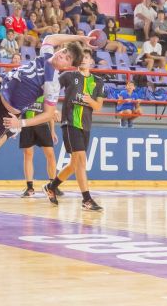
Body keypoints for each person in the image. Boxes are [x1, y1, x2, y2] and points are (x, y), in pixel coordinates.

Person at [42, 49, 104, 211]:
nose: (84, 60)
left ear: (92, 61)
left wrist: (90, 100)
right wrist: (52, 109)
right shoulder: (68, 76)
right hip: (70, 123)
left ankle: (51, 186)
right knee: (81, 161)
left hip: (86, 126)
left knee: (74, 164)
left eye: (87, 58)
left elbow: (98, 107)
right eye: (81, 58)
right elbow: (50, 89)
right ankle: (87, 200)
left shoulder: (98, 81)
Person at [19, 97, 60, 198]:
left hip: (42, 125)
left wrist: (52, 131)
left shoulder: (45, 91)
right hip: (27, 125)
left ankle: (52, 186)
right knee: (28, 155)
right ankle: (29, 188)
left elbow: (49, 112)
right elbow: (17, 109)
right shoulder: (25, 91)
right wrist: (16, 126)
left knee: (50, 155)